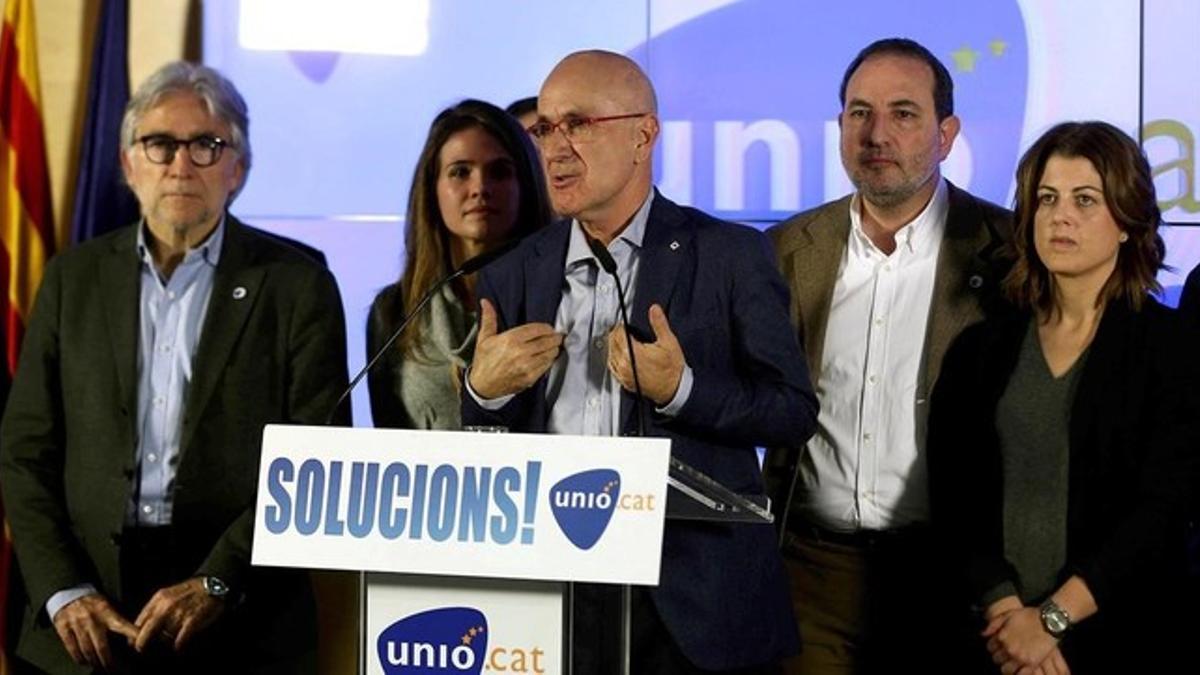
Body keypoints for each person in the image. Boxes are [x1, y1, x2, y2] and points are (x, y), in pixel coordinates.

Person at [463, 50, 817, 673]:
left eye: (578, 123)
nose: (555, 147)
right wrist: (483, 394)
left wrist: (682, 389)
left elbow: (790, 413)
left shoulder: (730, 256)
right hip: (551, 602)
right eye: (545, 128)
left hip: (692, 609)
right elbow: (490, 449)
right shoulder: (511, 271)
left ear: (643, 135)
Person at [0, 61, 350, 674]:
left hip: (239, 617)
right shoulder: (70, 279)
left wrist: (220, 580)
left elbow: (317, 457)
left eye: (207, 145)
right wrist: (62, 589)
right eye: (159, 144)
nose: (181, 165)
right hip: (84, 619)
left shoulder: (299, 285)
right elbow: (25, 452)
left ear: (239, 170)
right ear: (129, 163)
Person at [764, 37, 1012, 672]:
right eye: (858, 112)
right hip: (810, 571)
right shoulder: (787, 249)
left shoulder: (1010, 252)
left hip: (951, 575)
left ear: (947, 133)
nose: (876, 133)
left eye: (903, 113)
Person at [928, 121, 1198, 673]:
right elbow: (956, 496)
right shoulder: (980, 349)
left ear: (1127, 221)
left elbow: (1164, 508)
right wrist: (1010, 617)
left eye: (1085, 200)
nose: (1061, 216)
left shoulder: (1173, 350)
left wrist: (1052, 620)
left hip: (1124, 634)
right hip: (992, 637)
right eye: (1047, 199)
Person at [366, 99, 550, 430]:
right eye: (460, 172)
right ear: (432, 187)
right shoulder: (394, 310)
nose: (480, 188)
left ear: (526, 183)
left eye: (499, 172)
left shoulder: (561, 296)